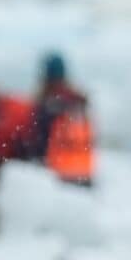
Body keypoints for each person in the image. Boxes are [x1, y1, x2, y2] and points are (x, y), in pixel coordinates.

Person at [33, 52, 95, 186]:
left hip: (58, 179)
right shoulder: (79, 102)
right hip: (85, 176)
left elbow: (38, 144)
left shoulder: (47, 107)